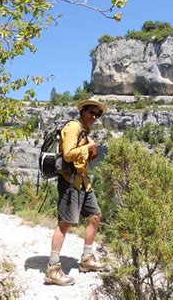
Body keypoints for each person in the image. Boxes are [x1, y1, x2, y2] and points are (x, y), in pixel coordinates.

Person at [44, 99, 108, 286]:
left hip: (84, 182)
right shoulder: (73, 127)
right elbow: (68, 154)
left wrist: (92, 152)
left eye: (98, 114)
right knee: (65, 223)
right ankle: (52, 269)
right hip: (70, 182)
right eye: (91, 113)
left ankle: (87, 259)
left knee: (95, 215)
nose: (94, 117)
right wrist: (87, 147)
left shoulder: (84, 131)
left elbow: (83, 159)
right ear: (82, 112)